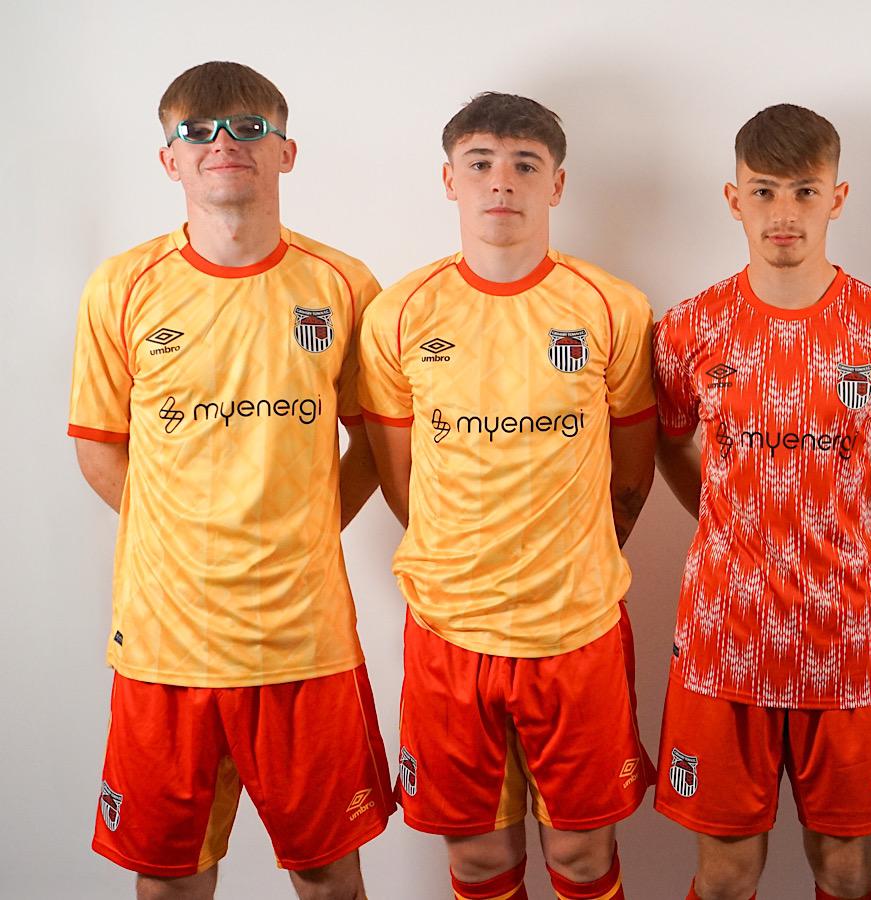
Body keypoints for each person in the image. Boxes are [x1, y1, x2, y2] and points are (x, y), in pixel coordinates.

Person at [68, 60, 392, 899]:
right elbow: (101, 449)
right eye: (198, 131)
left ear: (287, 152)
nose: (224, 144)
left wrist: (310, 523)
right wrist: (186, 535)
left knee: (328, 876)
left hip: (304, 638)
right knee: (171, 881)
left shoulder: (345, 286)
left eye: (250, 127)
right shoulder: (122, 286)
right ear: (169, 159)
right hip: (165, 641)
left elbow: (383, 447)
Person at [357, 92, 657, 900]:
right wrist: (463, 556)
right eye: (481, 164)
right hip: (451, 637)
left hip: (578, 631)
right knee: (479, 863)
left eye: (526, 165)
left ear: (556, 185)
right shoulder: (400, 313)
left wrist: (580, 549)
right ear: (449, 180)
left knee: (584, 860)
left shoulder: (611, 307)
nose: (503, 183)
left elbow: (633, 471)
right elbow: (399, 475)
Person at [651, 103, 871, 900]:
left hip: (845, 640)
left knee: (844, 870)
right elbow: (670, 437)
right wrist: (722, 510)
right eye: (765, 191)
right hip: (723, 637)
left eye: (805, 192)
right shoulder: (689, 328)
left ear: (837, 199)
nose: (784, 213)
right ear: (733, 198)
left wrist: (854, 517)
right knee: (728, 873)